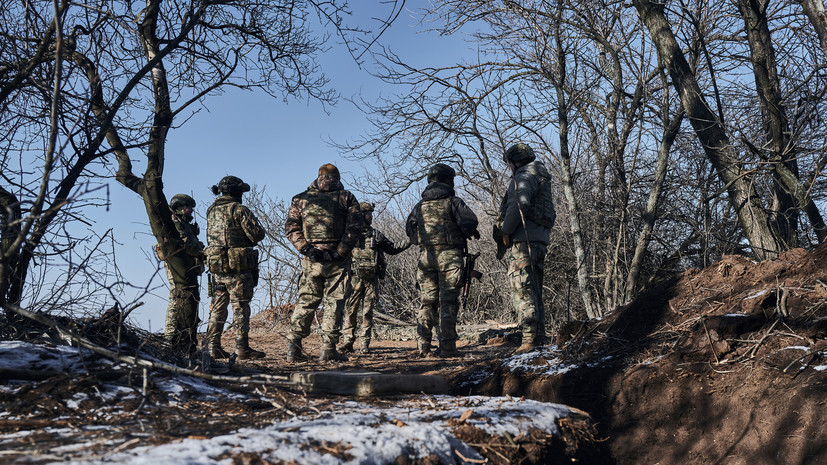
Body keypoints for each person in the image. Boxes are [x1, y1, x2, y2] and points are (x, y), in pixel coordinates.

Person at [284, 163, 363, 362]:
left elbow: (291, 228)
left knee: (306, 301)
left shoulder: (300, 199)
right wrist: (340, 252)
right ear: (337, 177)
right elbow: (355, 227)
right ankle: (328, 349)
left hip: (312, 260)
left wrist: (307, 249)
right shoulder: (346, 197)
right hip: (337, 260)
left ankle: (293, 348)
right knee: (334, 303)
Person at [406, 163, 479, 357]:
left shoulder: (419, 206)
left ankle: (423, 347)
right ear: (448, 180)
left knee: (427, 302)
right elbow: (470, 222)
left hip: (426, 257)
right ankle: (447, 347)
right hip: (449, 257)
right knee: (448, 302)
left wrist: (420, 241)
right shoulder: (453, 201)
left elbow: (410, 230)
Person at [496, 143, 556, 354]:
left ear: (514, 162)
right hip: (540, 239)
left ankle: (529, 341)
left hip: (524, 240)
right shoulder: (541, 176)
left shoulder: (523, 177)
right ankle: (538, 337)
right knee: (536, 289)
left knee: (522, 289)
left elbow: (519, 204)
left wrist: (505, 230)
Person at [204, 176, 267, 360]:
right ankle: (242, 348)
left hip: (217, 266)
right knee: (239, 306)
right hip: (237, 267)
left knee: (217, 307)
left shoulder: (211, 210)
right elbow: (257, 234)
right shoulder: (239, 210)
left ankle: (212, 347)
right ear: (237, 192)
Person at [339, 202, 410, 355]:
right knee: (350, 312)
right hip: (354, 279)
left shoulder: (376, 235)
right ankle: (347, 343)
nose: (370, 216)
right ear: (360, 215)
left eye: (371, 214)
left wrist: (410, 240)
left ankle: (364, 345)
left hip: (371, 280)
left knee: (367, 313)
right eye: (368, 214)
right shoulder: (350, 234)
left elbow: (392, 248)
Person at [161, 194, 205, 355]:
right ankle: (170, 336)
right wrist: (203, 250)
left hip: (188, 266)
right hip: (177, 267)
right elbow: (187, 245)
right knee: (176, 298)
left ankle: (181, 337)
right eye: (188, 207)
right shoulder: (175, 223)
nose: (191, 210)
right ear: (179, 207)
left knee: (187, 299)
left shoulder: (184, 223)